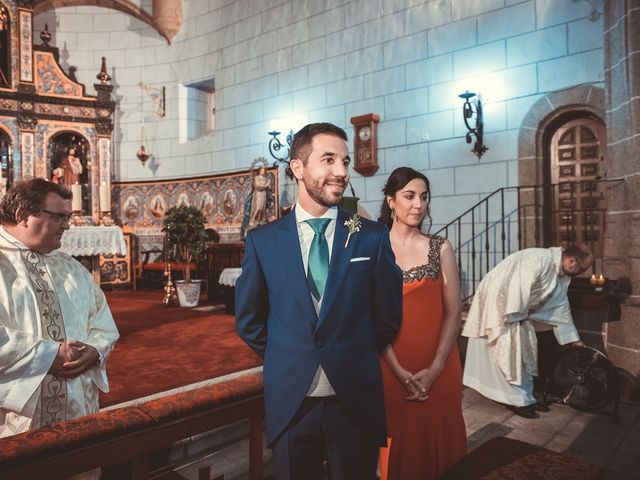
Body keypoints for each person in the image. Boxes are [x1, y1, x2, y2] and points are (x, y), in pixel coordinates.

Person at [235, 123, 402, 479]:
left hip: (353, 397)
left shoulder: (370, 237)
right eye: (328, 160)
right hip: (292, 401)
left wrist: (348, 353)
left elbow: (387, 314)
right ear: (298, 168)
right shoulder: (264, 242)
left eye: (345, 161)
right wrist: (292, 353)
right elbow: (249, 320)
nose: (341, 172)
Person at [0, 179, 119, 440]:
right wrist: (48, 355)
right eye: (59, 217)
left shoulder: (71, 268)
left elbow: (103, 323)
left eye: (68, 217)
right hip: (15, 421)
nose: (67, 225)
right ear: (23, 216)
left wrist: (95, 350)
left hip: (77, 411)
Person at [378, 167, 467, 480]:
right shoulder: (374, 249)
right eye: (409, 196)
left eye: (424, 197)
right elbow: (369, 318)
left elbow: (454, 312)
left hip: (439, 364)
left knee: (441, 443)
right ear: (391, 201)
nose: (418, 204)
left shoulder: (439, 247)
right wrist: (398, 371)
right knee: (396, 441)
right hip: (389, 365)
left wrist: (436, 368)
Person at [462, 244, 593, 418]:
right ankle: (515, 399)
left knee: (520, 354)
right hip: (501, 305)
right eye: (582, 268)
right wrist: (517, 314)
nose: (581, 272)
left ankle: (524, 397)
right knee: (509, 353)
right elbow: (517, 287)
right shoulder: (539, 260)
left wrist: (573, 339)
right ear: (571, 261)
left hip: (517, 312)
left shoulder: (561, 275)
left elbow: (560, 306)